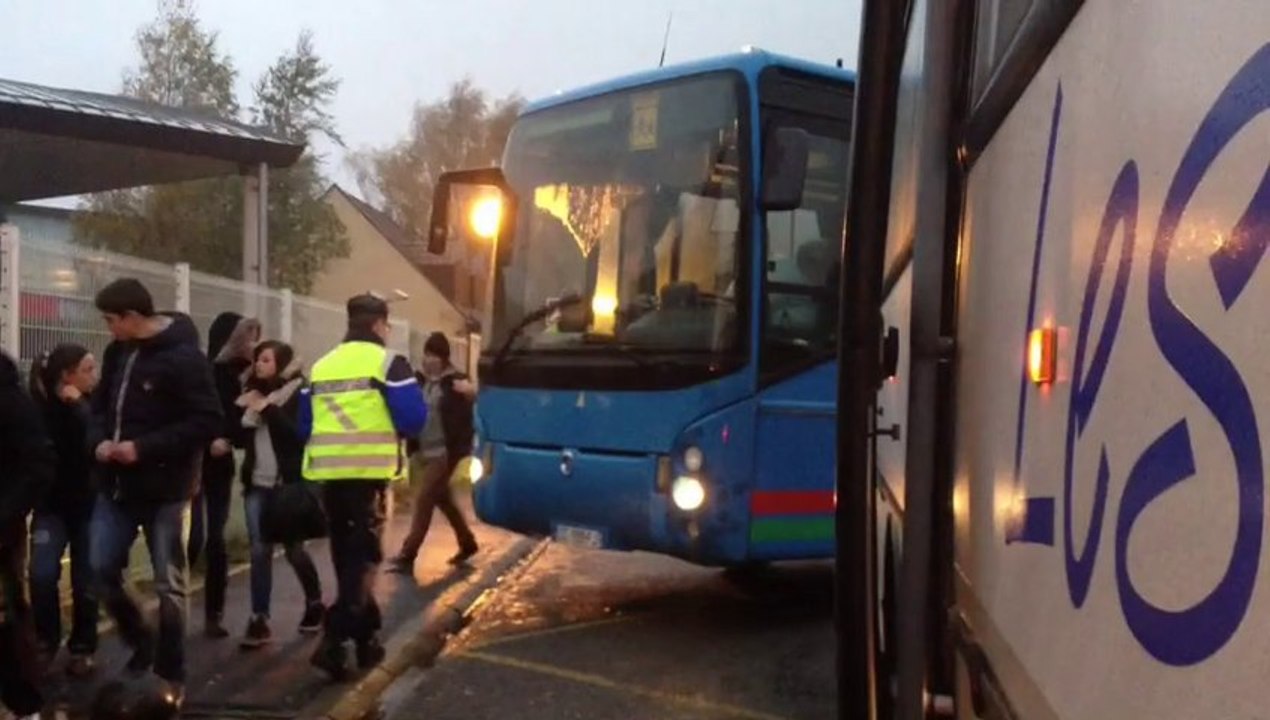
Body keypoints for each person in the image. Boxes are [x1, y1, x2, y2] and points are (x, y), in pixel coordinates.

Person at [87, 278, 222, 700]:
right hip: (116, 487)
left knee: (170, 584)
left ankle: (170, 672)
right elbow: (99, 406)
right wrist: (99, 441)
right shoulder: (118, 354)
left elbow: (206, 420)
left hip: (166, 490)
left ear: (132, 317)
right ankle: (140, 638)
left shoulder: (185, 359)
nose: (109, 329)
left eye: (112, 320)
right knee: (100, 567)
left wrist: (142, 448)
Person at [300, 293, 427, 680]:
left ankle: (367, 641)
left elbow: (305, 425)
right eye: (386, 326)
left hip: (329, 480)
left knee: (348, 561)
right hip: (368, 478)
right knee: (365, 561)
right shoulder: (388, 363)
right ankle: (332, 641)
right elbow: (414, 417)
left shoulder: (321, 366)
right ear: (378, 325)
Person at [237, 340, 324, 648]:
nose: (259, 365)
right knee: (259, 550)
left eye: (266, 360)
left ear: (281, 365)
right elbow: (239, 434)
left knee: (294, 550)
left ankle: (315, 602)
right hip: (257, 485)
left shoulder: (297, 395)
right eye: (257, 360)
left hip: (286, 486)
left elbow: (298, 436)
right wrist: (248, 411)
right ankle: (259, 618)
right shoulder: (250, 395)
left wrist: (268, 408)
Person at [28, 343, 100, 677]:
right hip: (50, 506)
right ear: (66, 375)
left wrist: (80, 407)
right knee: (42, 574)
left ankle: (83, 647)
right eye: (87, 369)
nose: (93, 376)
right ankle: (46, 640)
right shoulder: (39, 410)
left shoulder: (92, 405)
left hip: (89, 506)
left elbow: (98, 438)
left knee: (86, 580)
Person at [191, 312, 260, 639]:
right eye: (248, 337)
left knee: (214, 539)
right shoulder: (208, 375)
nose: (252, 344)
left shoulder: (245, 378)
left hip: (219, 468)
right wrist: (210, 439)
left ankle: (213, 614)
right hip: (194, 464)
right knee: (195, 537)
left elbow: (243, 426)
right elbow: (200, 416)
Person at [387, 332, 478, 575]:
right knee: (443, 499)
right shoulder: (418, 381)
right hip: (422, 451)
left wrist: (471, 392)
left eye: (434, 355)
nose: (429, 360)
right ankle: (467, 543)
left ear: (444, 358)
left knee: (424, 499)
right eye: (427, 354)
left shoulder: (456, 382)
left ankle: (408, 554)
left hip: (444, 452)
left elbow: (475, 407)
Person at [0, 350, 53, 720]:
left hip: (1, 531)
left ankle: (24, 704)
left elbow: (37, 465)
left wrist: (5, 514)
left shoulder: (11, 402)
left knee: (7, 620)